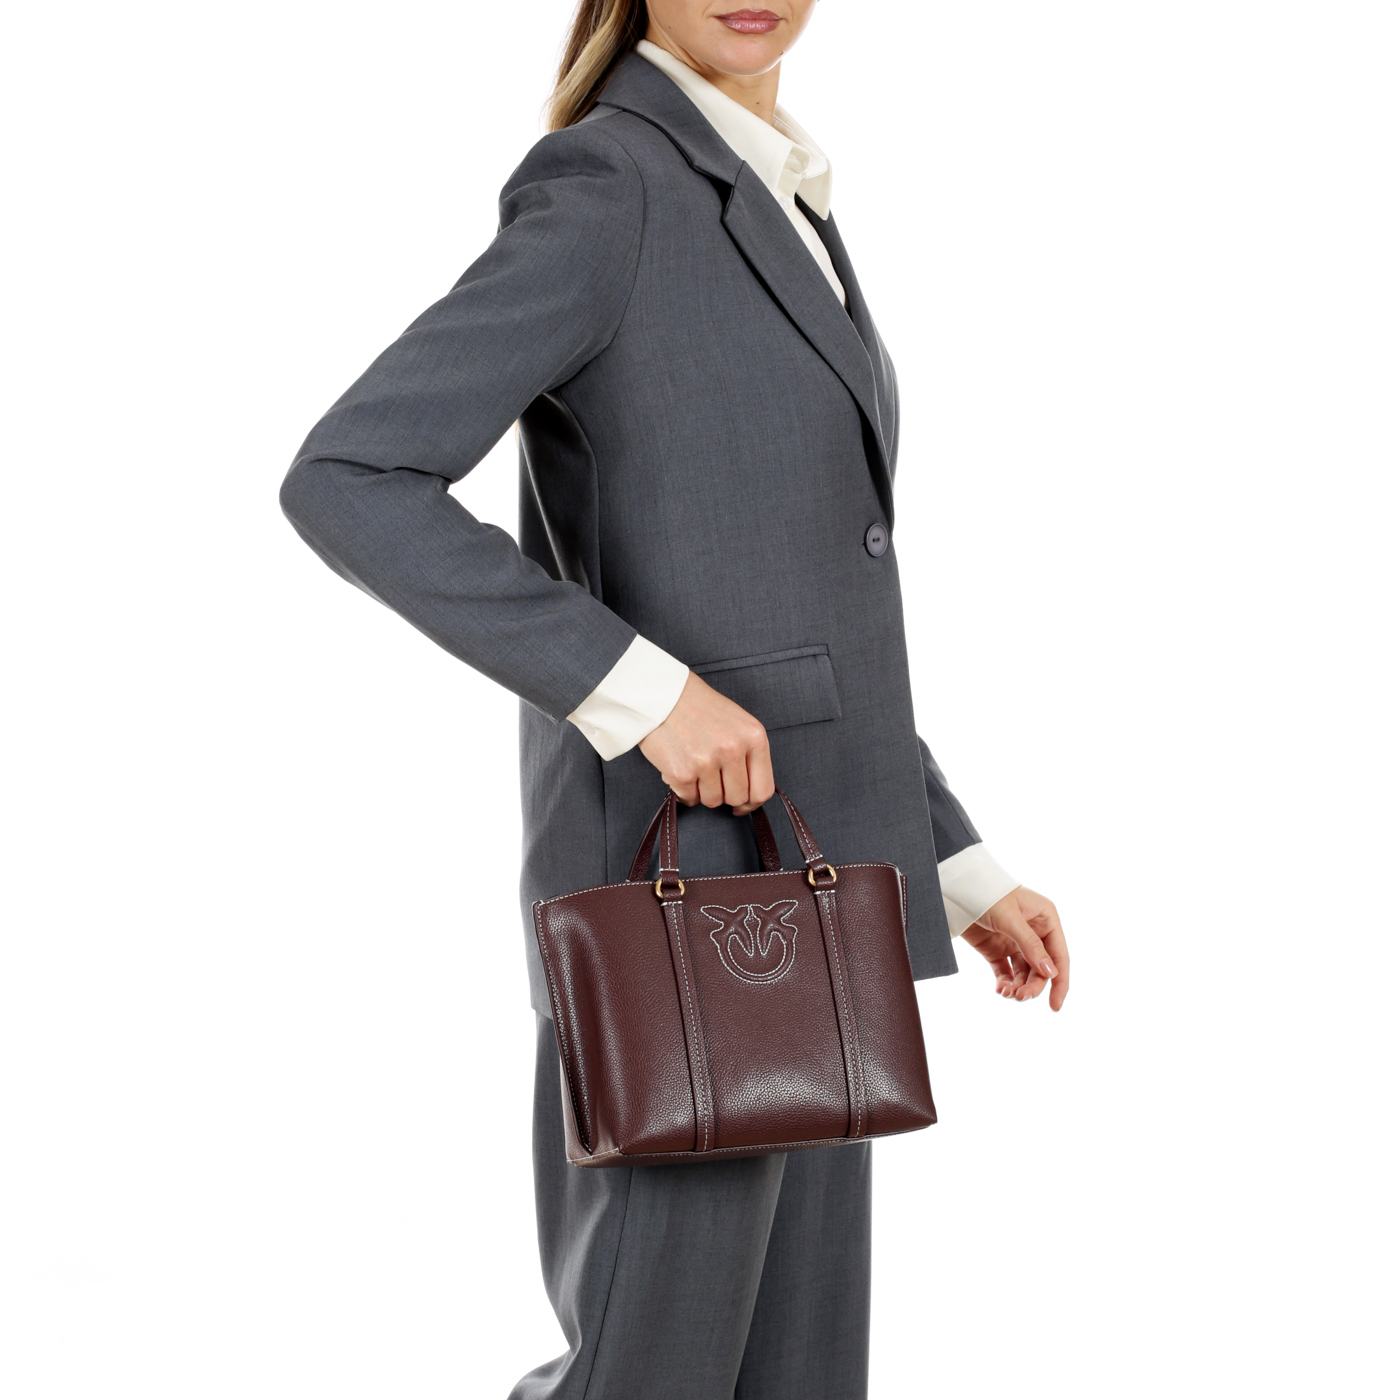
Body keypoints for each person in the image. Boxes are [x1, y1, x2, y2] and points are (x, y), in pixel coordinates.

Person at [280, 2, 1070, 1395]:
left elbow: (806, 598)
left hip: (820, 894)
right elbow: (351, 478)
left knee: (798, 1374)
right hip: (677, 908)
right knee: (649, 1366)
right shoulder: (614, 183)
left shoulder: (785, 190)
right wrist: (639, 696)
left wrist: (953, 860)